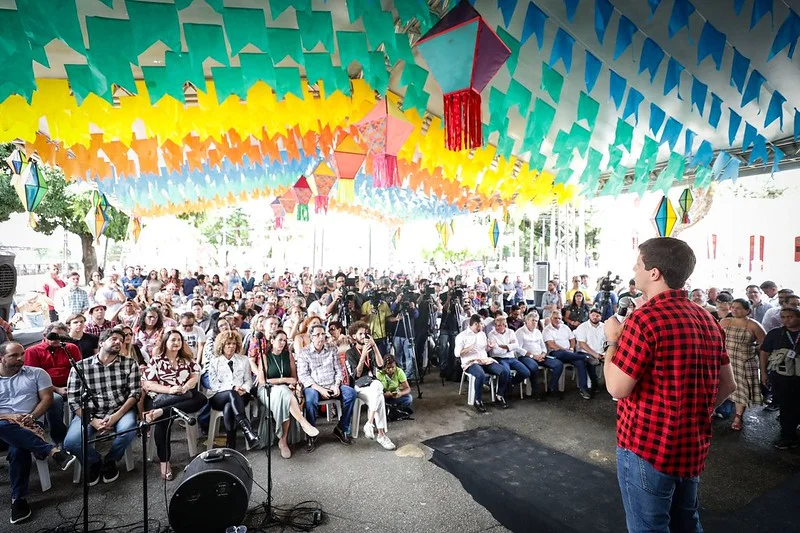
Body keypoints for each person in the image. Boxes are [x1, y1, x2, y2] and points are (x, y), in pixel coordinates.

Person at [603, 237, 735, 532]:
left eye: (638, 264)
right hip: (691, 445)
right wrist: (689, 413)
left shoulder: (644, 320)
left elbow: (616, 388)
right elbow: (728, 385)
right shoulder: (707, 318)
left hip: (645, 447)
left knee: (648, 527)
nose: (634, 269)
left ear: (654, 273)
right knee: (686, 523)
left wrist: (611, 340)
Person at [0, 341, 77, 524]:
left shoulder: (36, 374)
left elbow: (48, 399)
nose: (20, 358)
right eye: (13, 356)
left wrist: (32, 417)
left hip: (29, 426)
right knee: (3, 426)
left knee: (19, 449)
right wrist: (11, 417)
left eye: (22, 354)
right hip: (4, 429)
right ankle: (51, 450)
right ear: (1, 358)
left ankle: (18, 499)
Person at [64, 328, 142, 486]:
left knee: (128, 430)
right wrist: (92, 421)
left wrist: (116, 416)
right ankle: (94, 462)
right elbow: (73, 399)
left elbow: (135, 393)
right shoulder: (80, 367)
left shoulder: (129, 364)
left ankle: (111, 460)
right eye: (114, 339)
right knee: (71, 443)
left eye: (121, 340)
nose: (118, 342)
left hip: (119, 409)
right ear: (101, 343)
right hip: (90, 412)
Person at [140, 330, 206, 479]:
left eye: (179, 340)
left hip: (181, 395)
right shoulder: (156, 360)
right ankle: (165, 462)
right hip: (160, 397)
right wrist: (170, 390)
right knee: (164, 422)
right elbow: (149, 385)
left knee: (200, 398)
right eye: (173, 340)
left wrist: (186, 387)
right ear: (165, 342)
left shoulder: (186, 359)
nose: (176, 343)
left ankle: (162, 412)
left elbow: (195, 376)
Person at [249, 329, 318, 458]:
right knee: (283, 391)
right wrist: (283, 380)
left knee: (285, 393)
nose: (282, 343)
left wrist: (290, 383)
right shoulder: (265, 356)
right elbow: (263, 381)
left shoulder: (288, 355)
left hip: (286, 391)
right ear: (272, 340)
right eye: (280, 340)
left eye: (285, 340)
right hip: (267, 390)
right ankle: (302, 423)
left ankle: (283, 439)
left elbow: (294, 378)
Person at [295, 324, 356, 452]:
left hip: (332, 385)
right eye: (317, 335)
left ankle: (342, 428)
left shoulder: (332, 349)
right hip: (314, 387)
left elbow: (339, 370)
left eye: (323, 334)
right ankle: (311, 433)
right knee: (310, 399)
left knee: (351, 393)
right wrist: (320, 389)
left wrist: (336, 385)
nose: (321, 337)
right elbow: (304, 376)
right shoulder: (304, 352)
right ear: (311, 337)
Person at [23, 322, 82, 445]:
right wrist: (57, 389)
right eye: (55, 336)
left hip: (71, 385)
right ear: (45, 335)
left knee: (86, 397)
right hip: (45, 389)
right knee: (54, 400)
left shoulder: (70, 348)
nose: (58, 340)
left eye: (61, 337)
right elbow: (33, 378)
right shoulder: (32, 351)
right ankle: (59, 439)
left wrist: (73, 387)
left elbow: (80, 370)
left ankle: (77, 434)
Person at [204, 330, 259, 450]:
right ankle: (247, 430)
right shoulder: (214, 361)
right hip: (219, 396)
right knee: (231, 393)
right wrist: (233, 388)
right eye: (228, 343)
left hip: (241, 395)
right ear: (222, 345)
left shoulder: (243, 359)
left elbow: (248, 380)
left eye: (234, 344)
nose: (231, 346)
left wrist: (244, 389)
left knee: (229, 406)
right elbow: (214, 385)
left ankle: (231, 444)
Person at [345, 322, 395, 450]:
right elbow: (356, 374)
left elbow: (380, 365)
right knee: (379, 392)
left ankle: (370, 423)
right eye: (360, 334)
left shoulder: (371, 350)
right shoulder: (350, 353)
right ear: (354, 336)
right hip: (358, 386)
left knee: (377, 386)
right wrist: (362, 356)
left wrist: (374, 346)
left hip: (372, 384)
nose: (363, 336)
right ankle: (381, 435)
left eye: (365, 333)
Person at [719, 299, 767, 431]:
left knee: (741, 390)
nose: (734, 310)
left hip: (745, 362)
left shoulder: (754, 325)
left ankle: (738, 416)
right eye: (733, 307)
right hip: (725, 361)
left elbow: (764, 345)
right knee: (722, 386)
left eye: (739, 308)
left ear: (748, 310)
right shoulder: (724, 322)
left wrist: (754, 353)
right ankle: (719, 410)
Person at [760, 307, 800, 449]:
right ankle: (788, 436)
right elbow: (764, 353)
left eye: (790, 317)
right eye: (783, 317)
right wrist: (763, 373)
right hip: (781, 377)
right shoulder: (775, 333)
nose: (786, 320)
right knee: (786, 407)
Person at [455, 315, 511, 413]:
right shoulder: (462, 336)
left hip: (484, 360)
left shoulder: (482, 334)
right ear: (476, 324)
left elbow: (484, 349)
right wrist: (468, 348)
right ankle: (478, 400)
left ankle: (499, 395)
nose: (483, 326)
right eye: (481, 324)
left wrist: (489, 347)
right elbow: (456, 353)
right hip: (470, 362)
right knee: (480, 375)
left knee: (504, 371)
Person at [543, 311, 592, 400]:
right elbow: (551, 344)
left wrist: (572, 349)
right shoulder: (547, 330)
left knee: (580, 362)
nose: (557, 320)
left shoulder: (565, 327)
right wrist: (565, 350)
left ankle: (583, 389)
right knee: (567, 355)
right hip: (555, 353)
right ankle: (585, 356)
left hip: (569, 353)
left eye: (559, 318)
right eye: (555, 318)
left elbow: (572, 339)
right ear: (551, 319)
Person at [515, 311, 558, 400]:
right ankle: (536, 391)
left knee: (558, 364)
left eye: (536, 321)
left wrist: (543, 354)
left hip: (540, 356)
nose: (535, 323)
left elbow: (543, 346)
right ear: (527, 320)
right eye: (532, 320)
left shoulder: (538, 332)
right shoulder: (520, 332)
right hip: (526, 357)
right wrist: (533, 356)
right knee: (533, 367)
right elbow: (518, 349)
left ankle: (552, 388)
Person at [488, 316, 530, 397]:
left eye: (500, 325)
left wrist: (504, 347)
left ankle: (510, 384)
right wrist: (510, 347)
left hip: (511, 358)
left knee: (526, 372)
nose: (497, 327)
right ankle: (500, 394)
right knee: (505, 372)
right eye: (496, 325)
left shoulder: (511, 332)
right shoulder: (491, 334)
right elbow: (496, 351)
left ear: (505, 325)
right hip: (499, 358)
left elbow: (516, 345)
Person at [573, 308, 606, 393]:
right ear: (589, 315)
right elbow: (582, 344)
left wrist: (605, 354)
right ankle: (594, 384)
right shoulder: (582, 326)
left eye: (597, 316)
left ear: (601, 317)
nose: (595, 317)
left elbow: (607, 342)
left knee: (613, 362)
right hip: (586, 352)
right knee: (590, 360)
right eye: (593, 315)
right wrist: (595, 354)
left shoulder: (604, 326)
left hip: (602, 353)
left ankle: (612, 387)